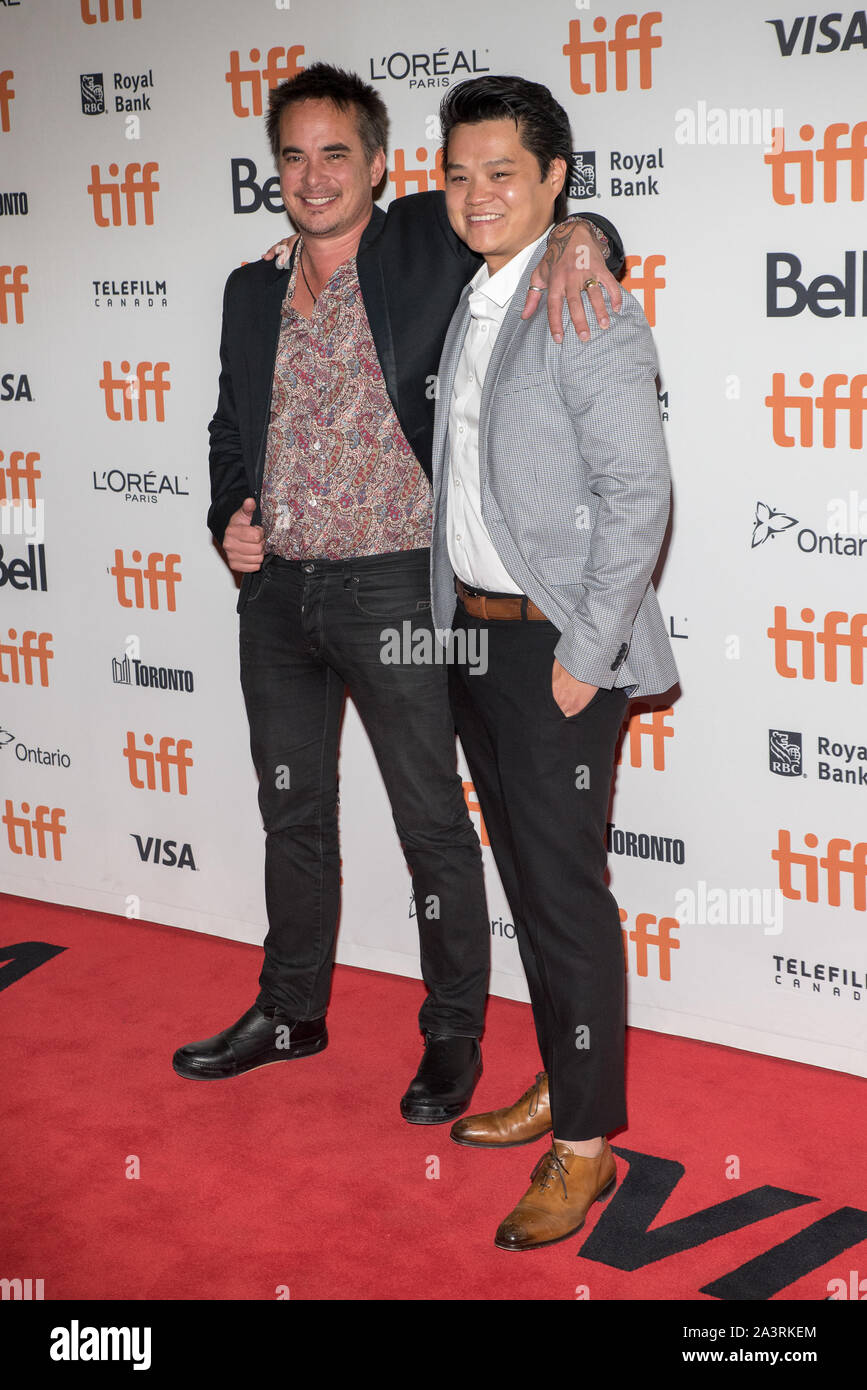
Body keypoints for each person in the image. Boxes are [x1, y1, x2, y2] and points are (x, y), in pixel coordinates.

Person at [173, 63, 625, 1128]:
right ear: (273, 168)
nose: (315, 175)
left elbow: (544, 211)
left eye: (338, 154)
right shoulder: (250, 288)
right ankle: (290, 1010)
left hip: (397, 590)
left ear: (380, 165)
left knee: (430, 820)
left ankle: (453, 1034)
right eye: (294, 155)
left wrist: (586, 235)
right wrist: (228, 511)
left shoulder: (428, 238)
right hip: (279, 594)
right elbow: (229, 427)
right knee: (292, 809)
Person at [428, 75, 678, 1245]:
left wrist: (586, 653)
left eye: (505, 175)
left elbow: (641, 493)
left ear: (555, 185)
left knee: (566, 902)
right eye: (460, 171)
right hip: (476, 637)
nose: (478, 195)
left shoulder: (586, 298)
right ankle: (561, 1081)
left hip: (556, 655)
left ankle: (588, 1148)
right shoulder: (470, 294)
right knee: (530, 890)